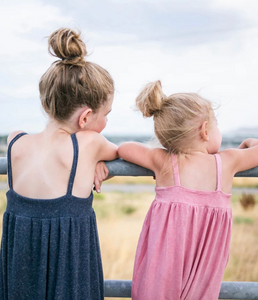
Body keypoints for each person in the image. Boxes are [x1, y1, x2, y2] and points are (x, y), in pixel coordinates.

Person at [0, 28, 118, 300]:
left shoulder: (15, 141)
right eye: (106, 115)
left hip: (20, 273)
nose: (106, 123)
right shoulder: (88, 144)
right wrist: (96, 158)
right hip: (69, 275)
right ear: (86, 118)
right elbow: (119, 151)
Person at [118, 81, 258, 300]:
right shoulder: (228, 162)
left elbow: (124, 148)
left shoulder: (163, 161)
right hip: (204, 274)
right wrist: (250, 142)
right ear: (204, 130)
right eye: (216, 124)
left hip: (160, 275)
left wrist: (159, 156)